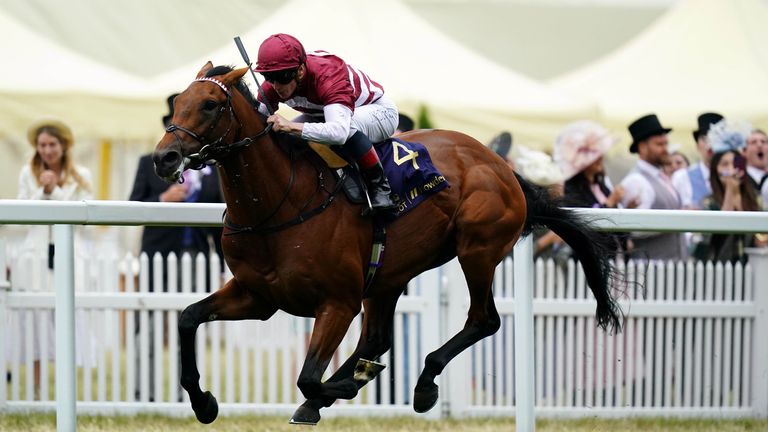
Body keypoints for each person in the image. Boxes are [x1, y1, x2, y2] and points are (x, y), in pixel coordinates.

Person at [128, 94, 224, 401]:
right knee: (150, 325)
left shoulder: (213, 171)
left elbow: (223, 219)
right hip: (158, 253)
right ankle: (145, 391)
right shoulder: (147, 163)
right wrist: (161, 200)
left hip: (197, 256)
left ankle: (187, 393)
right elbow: (130, 208)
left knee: (189, 326)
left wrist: (224, 265)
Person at [252, 33, 399, 213]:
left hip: (378, 111)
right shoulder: (274, 85)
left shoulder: (327, 74)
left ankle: (381, 189)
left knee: (345, 128)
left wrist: (290, 125)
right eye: (268, 77)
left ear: (299, 71)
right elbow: (256, 126)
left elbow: (339, 132)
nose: (276, 86)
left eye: (281, 77)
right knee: (283, 135)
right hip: (325, 113)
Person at [13, 118, 95, 398]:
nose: (47, 150)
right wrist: (42, 190)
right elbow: (21, 214)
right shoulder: (28, 172)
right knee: (37, 321)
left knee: (66, 319)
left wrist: (55, 191)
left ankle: (65, 388)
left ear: (63, 146)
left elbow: (83, 215)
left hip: (69, 254)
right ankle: (37, 388)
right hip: (35, 257)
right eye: (42, 145)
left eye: (52, 144)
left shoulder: (81, 175)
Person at [695, 119, 765, 262]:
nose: (731, 169)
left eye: (734, 163)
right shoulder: (708, 202)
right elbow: (721, 228)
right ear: (715, 170)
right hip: (720, 269)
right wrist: (730, 190)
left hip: (752, 267)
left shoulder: (755, 198)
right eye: (724, 164)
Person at [620, 114, 686, 261]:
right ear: (642, 147)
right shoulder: (636, 180)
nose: (665, 149)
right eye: (659, 144)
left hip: (673, 269)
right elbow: (635, 229)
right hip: (651, 270)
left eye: (666, 144)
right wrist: (678, 219)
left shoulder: (661, 177)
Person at [671, 112, 723, 210]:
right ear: (697, 145)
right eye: (704, 139)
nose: (710, 145)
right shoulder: (682, 178)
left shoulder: (735, 176)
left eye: (715, 138)